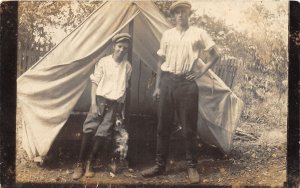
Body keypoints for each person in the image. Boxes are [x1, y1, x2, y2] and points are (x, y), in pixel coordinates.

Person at [141, 0, 221, 184]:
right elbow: (160, 62)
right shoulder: (167, 35)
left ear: (189, 14)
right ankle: (160, 166)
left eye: (184, 12)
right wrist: (158, 87)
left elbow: (216, 54)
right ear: (173, 15)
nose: (180, 15)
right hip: (168, 82)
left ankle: (192, 167)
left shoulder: (198, 33)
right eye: (177, 12)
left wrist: (201, 72)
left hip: (187, 85)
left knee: (189, 129)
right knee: (163, 127)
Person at [72, 33, 132, 180]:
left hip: (114, 105)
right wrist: (93, 103)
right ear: (114, 47)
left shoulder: (127, 67)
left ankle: (90, 163)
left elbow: (124, 89)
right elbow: (95, 83)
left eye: (125, 48)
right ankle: (80, 163)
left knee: (102, 133)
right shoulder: (103, 62)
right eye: (119, 46)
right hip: (99, 101)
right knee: (89, 129)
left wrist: (121, 110)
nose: (121, 50)